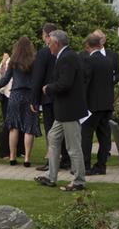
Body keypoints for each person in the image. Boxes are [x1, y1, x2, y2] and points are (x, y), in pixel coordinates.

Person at [36, 30, 89, 191]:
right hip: (64, 111)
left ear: (57, 43)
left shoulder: (67, 58)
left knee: (73, 147)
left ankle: (79, 180)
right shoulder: (67, 56)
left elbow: (65, 83)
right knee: (53, 138)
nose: (48, 46)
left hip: (69, 111)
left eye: (49, 43)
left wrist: (48, 88)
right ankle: (51, 176)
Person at [0, 36, 40, 166]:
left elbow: (6, 78)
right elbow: (37, 78)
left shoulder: (13, 60)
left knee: (13, 127)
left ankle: (12, 157)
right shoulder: (34, 60)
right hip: (29, 95)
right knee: (29, 127)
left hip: (15, 95)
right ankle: (26, 158)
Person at [80, 30, 117, 175]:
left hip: (92, 104)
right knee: (104, 136)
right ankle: (102, 165)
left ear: (89, 46)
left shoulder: (88, 60)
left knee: (87, 135)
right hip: (106, 103)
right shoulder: (108, 61)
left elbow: (86, 82)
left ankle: (85, 165)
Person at [32, 23, 60, 171]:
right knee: (62, 130)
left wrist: (34, 99)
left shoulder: (43, 53)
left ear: (47, 36)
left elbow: (38, 77)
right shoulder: (64, 52)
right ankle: (64, 159)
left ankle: (51, 161)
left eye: (43, 35)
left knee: (50, 130)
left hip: (47, 97)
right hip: (61, 97)